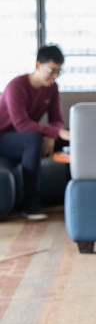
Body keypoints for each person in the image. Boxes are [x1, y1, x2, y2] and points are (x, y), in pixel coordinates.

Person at [0, 45, 71, 221]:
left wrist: (51, 135)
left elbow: (56, 119)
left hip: (28, 135)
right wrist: (52, 132)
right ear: (38, 65)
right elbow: (21, 125)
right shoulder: (16, 86)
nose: (54, 76)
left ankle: (72, 196)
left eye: (58, 72)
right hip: (4, 138)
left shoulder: (52, 88)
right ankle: (30, 203)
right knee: (33, 139)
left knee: (70, 136)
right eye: (52, 70)